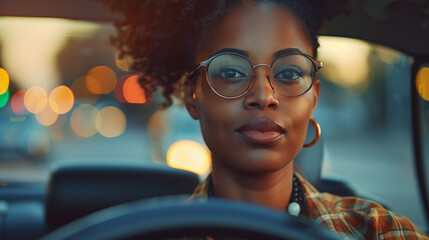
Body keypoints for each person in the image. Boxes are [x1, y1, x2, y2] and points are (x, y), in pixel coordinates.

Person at [101, 0, 428, 239]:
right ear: (192, 97)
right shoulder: (148, 235)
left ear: (313, 97)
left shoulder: (379, 230)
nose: (264, 95)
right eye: (230, 72)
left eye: (288, 72)